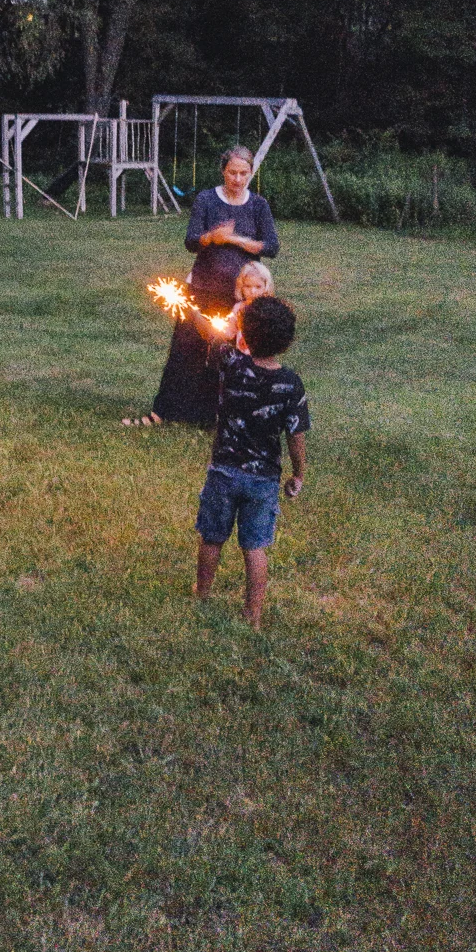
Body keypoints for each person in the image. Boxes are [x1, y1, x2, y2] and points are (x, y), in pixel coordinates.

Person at [124, 145, 279, 428]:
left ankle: (213, 416)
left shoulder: (258, 205)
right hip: (202, 288)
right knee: (185, 348)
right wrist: (211, 238)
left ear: (251, 173)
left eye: (244, 173)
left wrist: (235, 240)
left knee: (226, 355)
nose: (238, 179)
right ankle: (163, 412)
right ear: (223, 171)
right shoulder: (207, 199)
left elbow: (271, 246)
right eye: (232, 172)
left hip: (239, 295)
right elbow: (191, 241)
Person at [185, 295, 309, 629]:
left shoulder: (231, 363)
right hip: (263, 480)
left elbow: (209, 332)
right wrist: (298, 473)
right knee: (255, 547)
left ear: (244, 333)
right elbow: (296, 436)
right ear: (288, 340)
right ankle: (252, 614)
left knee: (212, 537)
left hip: (223, 471)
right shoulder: (291, 384)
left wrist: (192, 310)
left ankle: (202, 593)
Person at [223, 260, 275, 348]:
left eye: (258, 287)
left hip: (262, 351)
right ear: (241, 287)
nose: (252, 291)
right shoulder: (238, 308)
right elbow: (230, 332)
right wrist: (223, 331)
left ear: (265, 287)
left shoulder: (269, 308)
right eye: (247, 286)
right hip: (242, 352)